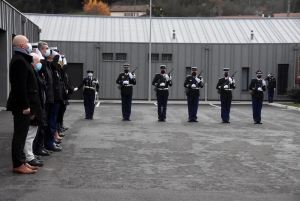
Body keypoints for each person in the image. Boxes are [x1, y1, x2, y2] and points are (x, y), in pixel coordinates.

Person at [6, 35, 38, 174]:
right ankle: (18, 163)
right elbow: (19, 87)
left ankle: (22, 161)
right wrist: (26, 106)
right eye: (27, 42)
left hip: (24, 104)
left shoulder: (22, 59)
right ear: (21, 46)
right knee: (20, 135)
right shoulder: (19, 60)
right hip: (21, 106)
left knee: (23, 134)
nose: (29, 44)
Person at [24, 53, 46, 167]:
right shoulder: (30, 72)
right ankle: (29, 157)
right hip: (32, 107)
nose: (39, 64)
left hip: (37, 106)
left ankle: (30, 154)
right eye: (37, 62)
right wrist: (32, 110)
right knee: (29, 134)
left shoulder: (35, 72)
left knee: (32, 134)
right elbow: (30, 92)